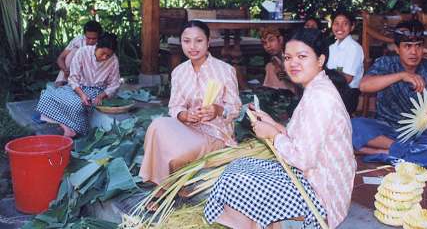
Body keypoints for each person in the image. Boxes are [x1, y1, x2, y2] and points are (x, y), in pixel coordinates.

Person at [204, 28, 355, 229]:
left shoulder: (320, 98)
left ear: (320, 60)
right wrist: (272, 123)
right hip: (312, 176)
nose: (293, 63)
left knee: (236, 182)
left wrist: (274, 135)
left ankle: (269, 223)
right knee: (238, 167)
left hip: (320, 194)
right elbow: (302, 138)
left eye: (302, 56)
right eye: (288, 57)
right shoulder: (316, 87)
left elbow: (303, 159)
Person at [139, 20, 242, 188]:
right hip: (188, 128)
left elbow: (236, 108)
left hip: (215, 134)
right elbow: (175, 107)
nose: (192, 46)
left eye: (199, 40)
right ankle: (156, 183)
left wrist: (217, 110)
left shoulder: (225, 70)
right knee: (157, 125)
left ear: (208, 42)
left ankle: (163, 189)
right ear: (181, 42)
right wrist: (184, 115)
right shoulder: (179, 72)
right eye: (186, 41)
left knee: (176, 155)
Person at [352, 20, 427, 171]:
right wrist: (401, 75)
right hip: (385, 128)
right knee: (352, 126)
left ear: (423, 48)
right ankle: (401, 153)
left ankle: (383, 154)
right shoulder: (386, 63)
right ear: (397, 48)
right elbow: (364, 85)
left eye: (418, 46)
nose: (414, 52)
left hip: (420, 134)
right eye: (407, 46)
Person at [37, 33, 120, 137]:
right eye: (103, 53)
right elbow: (73, 78)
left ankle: (74, 129)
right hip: (78, 88)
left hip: (97, 91)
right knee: (47, 96)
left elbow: (114, 83)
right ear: (97, 46)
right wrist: (82, 95)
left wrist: (101, 96)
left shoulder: (113, 60)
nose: (104, 57)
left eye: (108, 55)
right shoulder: (82, 52)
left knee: (77, 105)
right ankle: (66, 127)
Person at [326, 10, 364, 113]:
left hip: (347, 94)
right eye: (336, 23)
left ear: (352, 27)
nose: (340, 28)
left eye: (345, 24)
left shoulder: (354, 48)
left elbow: (347, 79)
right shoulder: (332, 47)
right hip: (332, 89)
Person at [55, 20, 103, 86]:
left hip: (92, 74)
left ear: (99, 36)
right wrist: (65, 70)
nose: (91, 41)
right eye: (88, 38)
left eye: (94, 39)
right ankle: (62, 83)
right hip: (72, 71)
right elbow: (60, 58)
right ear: (84, 35)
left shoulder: (103, 44)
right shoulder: (78, 40)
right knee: (73, 51)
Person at [260, 27, 298, 94]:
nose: (268, 46)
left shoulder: (292, 54)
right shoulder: (276, 56)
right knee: (270, 66)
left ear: (280, 40)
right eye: (264, 43)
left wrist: (285, 74)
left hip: (298, 92)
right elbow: (274, 59)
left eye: (271, 40)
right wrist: (277, 66)